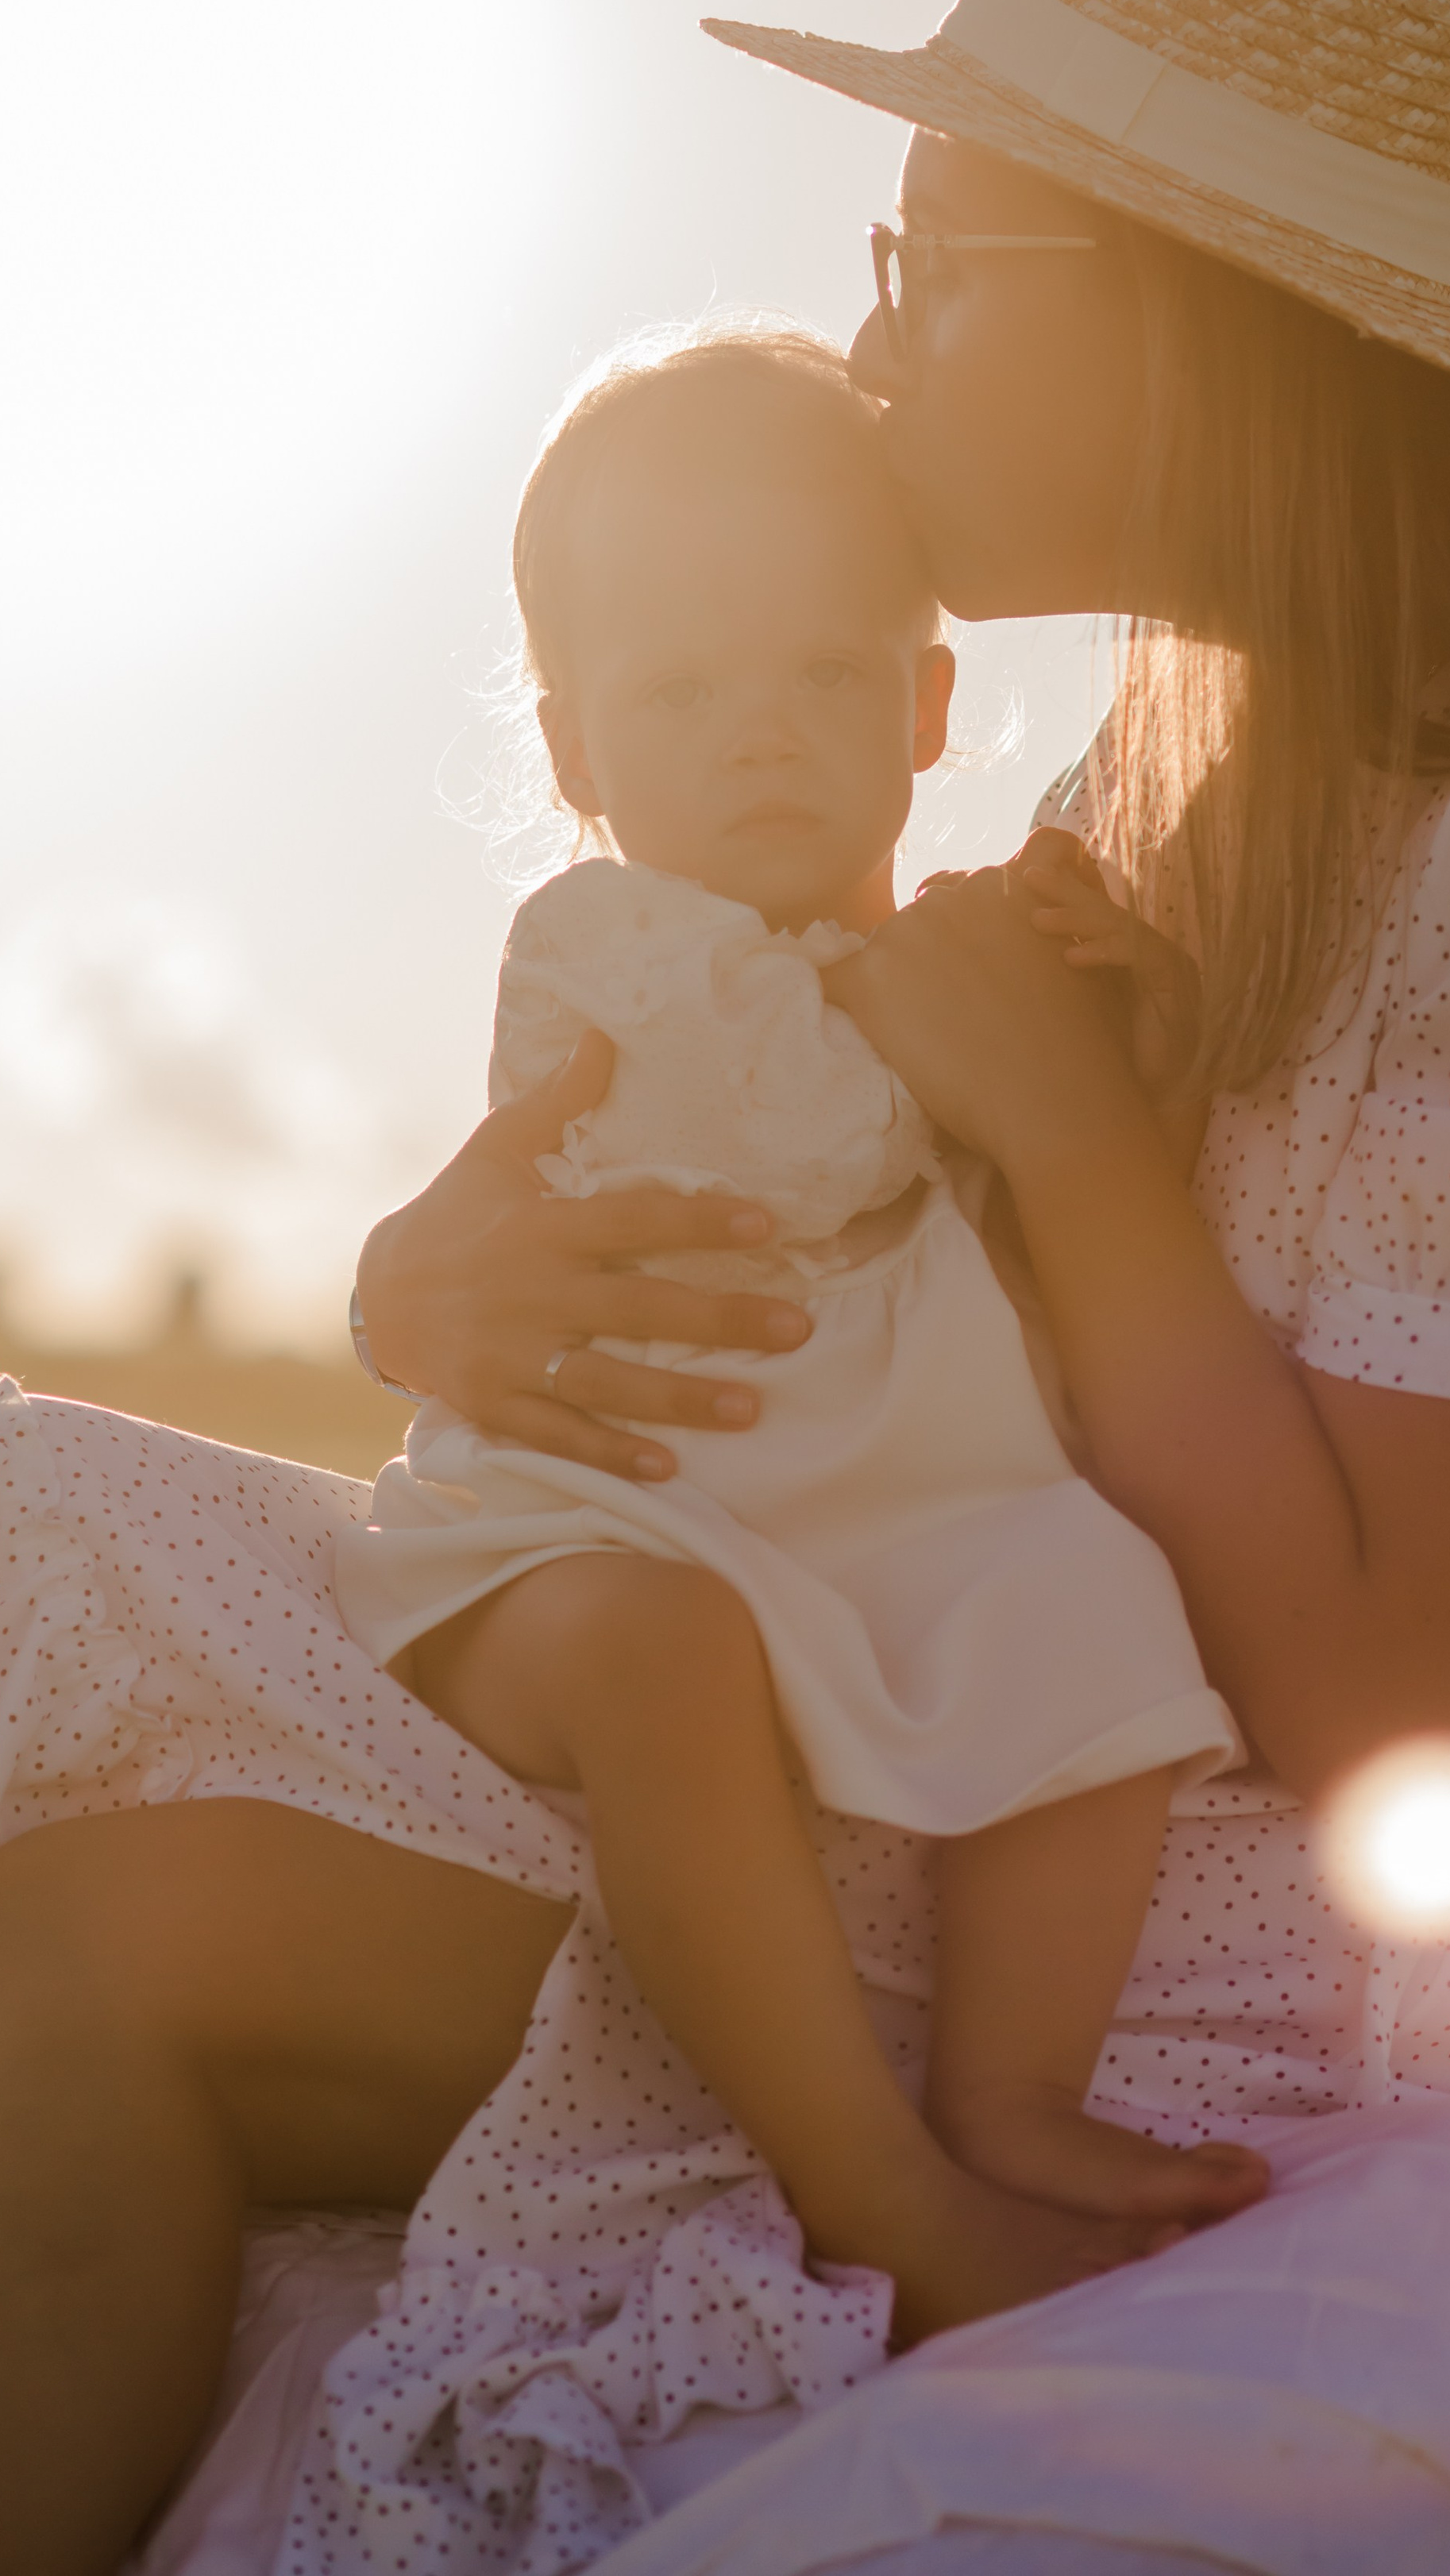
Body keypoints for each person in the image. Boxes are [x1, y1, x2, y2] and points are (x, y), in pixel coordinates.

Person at [0, 0, 1450, 2576]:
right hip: (921, 1705)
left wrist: (1068, 1133)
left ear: (1188, 313)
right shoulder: (1198, 765)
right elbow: (845, 1218)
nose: (866, 345)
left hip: (1186, 1900)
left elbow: (1376, 1703)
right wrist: (435, 1282)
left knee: (107, 1906)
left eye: (933, 260)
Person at [332, 322, 1255, 2337]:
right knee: (668, 1654)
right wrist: (979, 1025)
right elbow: (812, 1144)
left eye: (823, 676)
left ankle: (1008, 2089)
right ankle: (877, 2191)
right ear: (574, 755)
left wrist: (1125, 1027)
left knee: (1087, 1592)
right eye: (681, 691)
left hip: (893, 1501)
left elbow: (1098, 1206)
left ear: (925, 708)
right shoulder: (610, 953)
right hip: (609, 1510)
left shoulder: (948, 964)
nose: (758, 735)